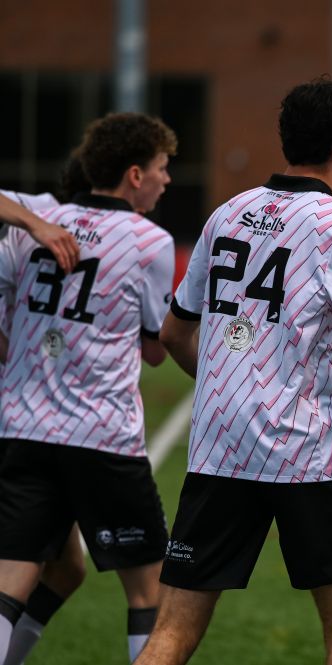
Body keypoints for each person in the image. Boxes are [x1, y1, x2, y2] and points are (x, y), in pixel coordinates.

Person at [136, 79, 332, 665]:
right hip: (305, 452)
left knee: (171, 633)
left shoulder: (226, 214)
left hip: (220, 447)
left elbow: (173, 335)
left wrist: (228, 387)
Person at [0, 112, 177, 663]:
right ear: (134, 175)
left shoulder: (44, 214)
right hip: (102, 438)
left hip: (23, 428)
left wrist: (34, 226)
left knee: (14, 582)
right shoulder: (150, 241)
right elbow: (154, 348)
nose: (168, 179)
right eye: (162, 168)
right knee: (152, 593)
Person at [0, 151, 95, 665]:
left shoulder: (113, 235)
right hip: (20, 419)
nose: (165, 181)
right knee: (18, 568)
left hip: (36, 418)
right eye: (157, 171)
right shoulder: (40, 212)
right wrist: (36, 223)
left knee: (66, 570)